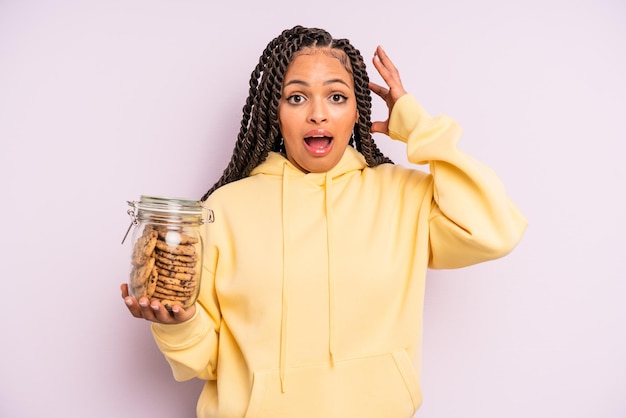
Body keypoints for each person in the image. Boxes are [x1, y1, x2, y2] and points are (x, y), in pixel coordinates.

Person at [121, 25, 527, 417]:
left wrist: (418, 127)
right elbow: (208, 363)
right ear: (275, 112)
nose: (318, 114)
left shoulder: (402, 196)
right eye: (296, 98)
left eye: (336, 96)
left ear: (357, 112)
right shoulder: (223, 210)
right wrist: (178, 326)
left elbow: (495, 230)